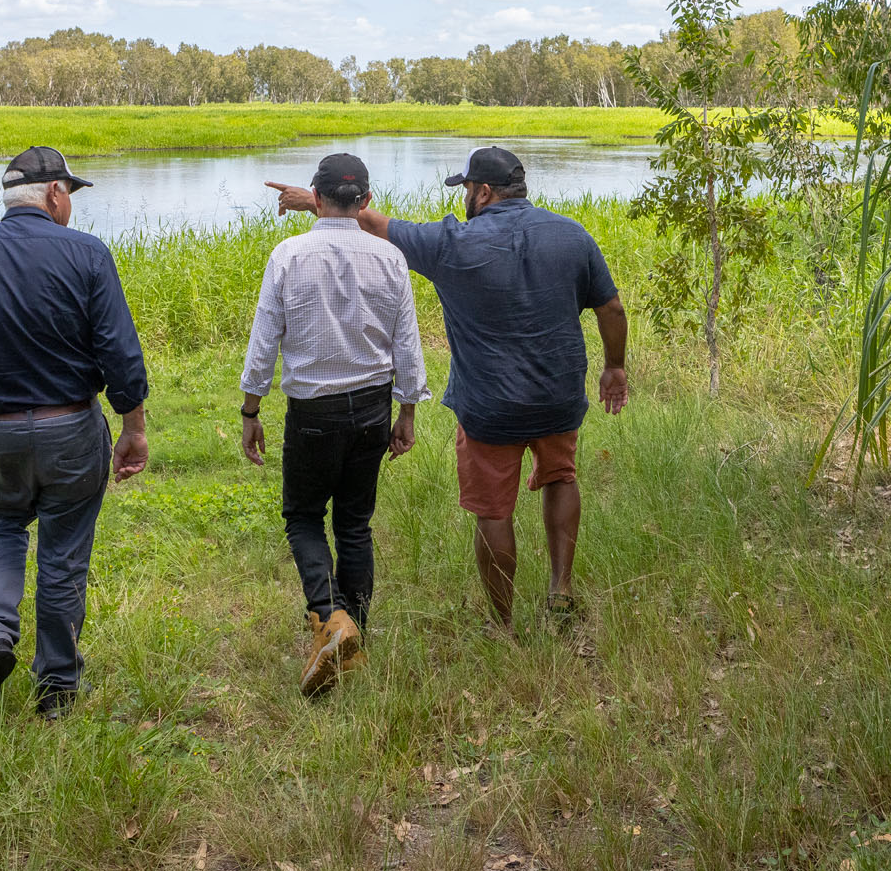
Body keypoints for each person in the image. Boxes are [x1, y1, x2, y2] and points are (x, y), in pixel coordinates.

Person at [268, 146, 627, 632]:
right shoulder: (572, 235)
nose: (464, 200)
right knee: (561, 476)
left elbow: (374, 225)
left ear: (482, 192)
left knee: (493, 509)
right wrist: (614, 368)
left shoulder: (452, 244)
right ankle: (560, 591)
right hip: (558, 396)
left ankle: (503, 625)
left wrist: (317, 203)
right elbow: (612, 309)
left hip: (489, 407)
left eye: (466, 191)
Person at [0, 146, 151, 719]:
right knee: (64, 553)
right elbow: (119, 352)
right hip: (71, 427)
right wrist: (132, 426)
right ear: (54, 194)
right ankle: (58, 689)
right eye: (71, 193)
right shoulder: (89, 255)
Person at [240, 152, 428, 695]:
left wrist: (251, 411)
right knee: (354, 523)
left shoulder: (287, 254)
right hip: (372, 408)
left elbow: (263, 344)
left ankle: (329, 618)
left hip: (313, 413)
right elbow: (407, 344)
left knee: (302, 516)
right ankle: (353, 635)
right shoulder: (389, 259)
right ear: (366, 202)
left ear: (315, 199)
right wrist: (408, 409)